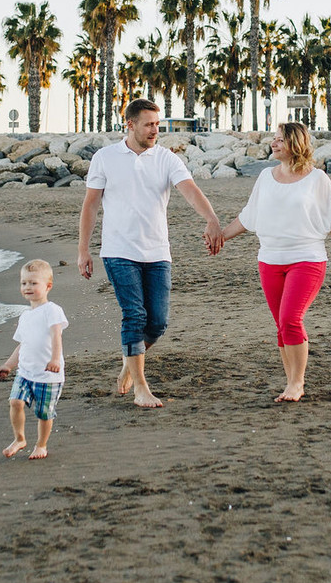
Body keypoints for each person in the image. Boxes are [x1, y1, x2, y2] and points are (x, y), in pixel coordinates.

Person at [78, 98, 224, 408]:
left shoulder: (167, 159)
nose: (155, 130)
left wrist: (211, 219)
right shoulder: (105, 158)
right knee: (135, 315)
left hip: (158, 251)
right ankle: (140, 387)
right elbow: (90, 205)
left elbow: (191, 191)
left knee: (157, 322)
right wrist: (83, 250)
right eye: (149, 124)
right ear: (129, 124)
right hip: (118, 250)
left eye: (157, 124)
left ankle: (130, 360)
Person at [215, 122, 331, 402]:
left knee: (291, 318)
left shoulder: (317, 179)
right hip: (270, 260)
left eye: (279, 140)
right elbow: (249, 216)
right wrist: (221, 237)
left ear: (294, 144)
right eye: (273, 139)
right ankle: (291, 381)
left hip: (307, 259)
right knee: (281, 324)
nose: (273, 144)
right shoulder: (266, 177)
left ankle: (297, 382)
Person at [0, 259, 67, 460]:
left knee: (44, 413)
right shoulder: (25, 316)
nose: (28, 287)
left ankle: (41, 445)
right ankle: (19, 439)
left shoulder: (52, 310)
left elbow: (56, 336)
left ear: (48, 286)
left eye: (33, 283)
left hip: (48, 374)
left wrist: (55, 359)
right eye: (24, 283)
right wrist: (8, 365)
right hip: (25, 372)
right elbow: (22, 344)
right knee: (15, 402)